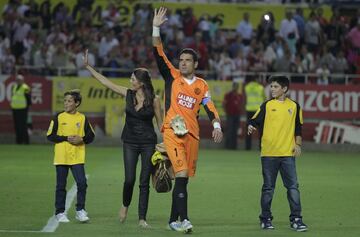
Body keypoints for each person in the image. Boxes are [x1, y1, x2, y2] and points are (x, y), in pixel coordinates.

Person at [152, 7, 223, 233]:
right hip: (172, 133)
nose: (182, 63)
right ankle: (185, 219)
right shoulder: (172, 77)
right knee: (181, 174)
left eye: (187, 60)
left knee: (183, 179)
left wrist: (217, 125)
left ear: (195, 64)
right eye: (181, 60)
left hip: (192, 136)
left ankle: (173, 220)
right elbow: (158, 51)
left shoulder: (202, 85)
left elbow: (210, 107)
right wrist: (155, 27)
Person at [83, 50, 162, 228]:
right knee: (129, 179)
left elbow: (161, 124)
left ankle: (142, 218)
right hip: (130, 141)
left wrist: (169, 142)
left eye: (133, 79)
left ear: (141, 83)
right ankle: (125, 205)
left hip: (149, 142)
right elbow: (106, 82)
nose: (130, 81)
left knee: (144, 182)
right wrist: (89, 67)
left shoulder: (155, 100)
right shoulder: (127, 93)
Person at [247, 75, 308, 232]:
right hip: (269, 154)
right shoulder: (267, 105)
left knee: (293, 187)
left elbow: (298, 128)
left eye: (275, 86)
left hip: (288, 153)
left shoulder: (294, 106)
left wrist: (298, 145)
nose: (272, 89)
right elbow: (253, 121)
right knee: (268, 188)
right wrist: (251, 127)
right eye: (271, 86)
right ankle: (265, 219)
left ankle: (296, 219)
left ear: (284, 89)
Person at [47, 89, 95, 223]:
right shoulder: (58, 117)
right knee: (61, 186)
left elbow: (91, 136)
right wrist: (65, 138)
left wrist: (82, 139)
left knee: (82, 183)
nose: (66, 103)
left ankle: (80, 211)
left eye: (69, 101)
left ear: (77, 103)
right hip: (61, 156)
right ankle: (60, 212)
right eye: (65, 101)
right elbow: (50, 136)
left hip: (77, 156)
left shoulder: (82, 118)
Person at [244, 75, 266, 150]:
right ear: (257, 80)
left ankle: (247, 147)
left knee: (248, 129)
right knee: (261, 129)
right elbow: (264, 99)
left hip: (249, 110)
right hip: (258, 111)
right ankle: (261, 147)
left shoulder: (247, 87)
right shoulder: (261, 88)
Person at [10, 74, 31, 144]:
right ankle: (18, 141)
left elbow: (28, 99)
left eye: (19, 80)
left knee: (23, 125)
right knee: (16, 125)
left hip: (23, 109)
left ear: (22, 80)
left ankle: (26, 141)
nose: (18, 81)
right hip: (15, 109)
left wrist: (27, 108)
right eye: (17, 80)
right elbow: (13, 96)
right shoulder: (14, 87)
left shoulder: (25, 88)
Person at [223, 82, 243, 150]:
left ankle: (234, 146)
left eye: (237, 87)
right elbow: (224, 103)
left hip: (237, 115)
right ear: (233, 87)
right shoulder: (228, 95)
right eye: (235, 86)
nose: (236, 88)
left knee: (235, 131)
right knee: (230, 131)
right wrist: (226, 112)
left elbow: (241, 104)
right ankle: (228, 146)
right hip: (230, 115)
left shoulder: (239, 95)